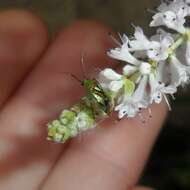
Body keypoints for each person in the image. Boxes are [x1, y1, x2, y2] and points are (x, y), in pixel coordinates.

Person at [0, 10, 167, 190]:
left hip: (106, 97)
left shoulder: (94, 88)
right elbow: (100, 91)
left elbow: (99, 91)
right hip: (106, 98)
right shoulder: (95, 88)